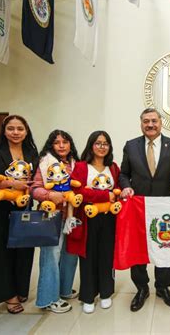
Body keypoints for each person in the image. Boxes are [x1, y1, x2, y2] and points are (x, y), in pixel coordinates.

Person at [119, 108, 170, 312]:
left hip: (164, 208)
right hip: (138, 207)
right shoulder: (131, 146)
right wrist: (126, 186)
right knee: (138, 248)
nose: (150, 125)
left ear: (160, 123)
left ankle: (163, 287)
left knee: (165, 245)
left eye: (154, 121)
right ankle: (141, 288)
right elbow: (124, 174)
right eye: (146, 121)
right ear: (141, 123)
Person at [0, 115, 39, 314]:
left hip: (23, 207)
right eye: (11, 128)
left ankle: (20, 288)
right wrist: (11, 183)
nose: (15, 132)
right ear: (4, 130)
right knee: (1, 253)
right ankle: (8, 295)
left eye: (20, 129)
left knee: (23, 251)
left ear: (26, 131)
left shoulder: (31, 151)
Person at [67, 131, 120, 314]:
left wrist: (113, 194)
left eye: (106, 143)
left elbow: (118, 190)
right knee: (88, 256)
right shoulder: (81, 167)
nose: (102, 146)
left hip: (109, 218)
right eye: (98, 143)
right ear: (91, 145)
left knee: (107, 255)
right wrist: (106, 194)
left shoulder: (113, 167)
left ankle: (106, 293)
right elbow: (79, 191)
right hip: (88, 217)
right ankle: (88, 296)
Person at [31, 130, 80, 313]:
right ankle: (48, 299)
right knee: (51, 257)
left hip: (72, 216)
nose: (61, 145)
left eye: (65, 142)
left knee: (70, 253)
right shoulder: (44, 163)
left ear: (70, 144)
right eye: (57, 142)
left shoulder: (75, 163)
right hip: (51, 216)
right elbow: (34, 189)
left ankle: (64, 290)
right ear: (51, 145)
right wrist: (50, 194)